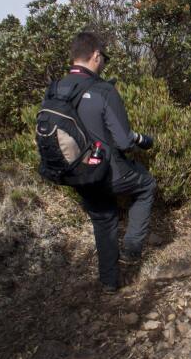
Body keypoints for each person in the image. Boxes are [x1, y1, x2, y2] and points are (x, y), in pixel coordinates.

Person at [61, 32, 156, 293]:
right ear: (95, 55)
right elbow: (124, 142)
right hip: (107, 168)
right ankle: (133, 249)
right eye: (104, 57)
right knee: (146, 186)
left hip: (74, 171)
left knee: (103, 219)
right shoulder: (103, 90)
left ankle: (109, 281)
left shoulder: (57, 89)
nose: (104, 63)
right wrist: (143, 139)